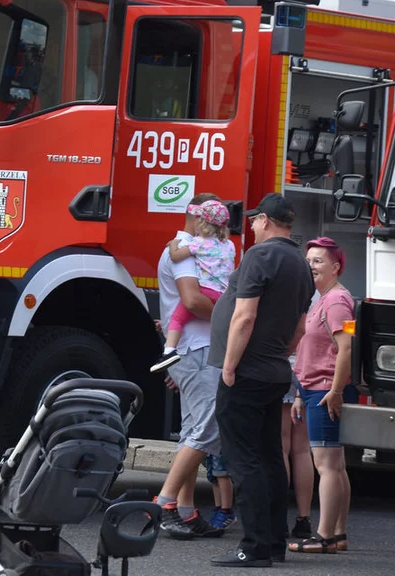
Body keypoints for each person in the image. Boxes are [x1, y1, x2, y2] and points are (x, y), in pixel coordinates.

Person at [207, 193, 314, 567]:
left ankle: (251, 547)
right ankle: (273, 543)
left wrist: (230, 366)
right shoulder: (300, 263)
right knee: (270, 456)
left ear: (267, 221)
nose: (250, 225)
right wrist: (276, 352)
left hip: (248, 371)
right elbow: (300, 327)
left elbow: (244, 317)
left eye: (254, 220)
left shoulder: (261, 256)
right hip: (274, 371)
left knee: (243, 459)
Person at [152, 193, 231, 540]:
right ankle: (166, 502)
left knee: (192, 431)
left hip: (191, 348)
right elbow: (193, 300)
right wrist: (234, 320)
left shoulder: (188, 244)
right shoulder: (187, 246)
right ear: (196, 217)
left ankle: (184, 510)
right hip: (198, 349)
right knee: (204, 430)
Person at [289, 237, 359, 554]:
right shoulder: (325, 298)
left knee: (327, 467)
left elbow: (346, 348)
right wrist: (302, 394)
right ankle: (338, 534)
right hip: (315, 390)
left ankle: (324, 537)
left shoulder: (335, 302)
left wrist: (334, 390)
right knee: (337, 465)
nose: (311, 266)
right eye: (309, 261)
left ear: (336, 266)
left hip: (325, 390)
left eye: (318, 261)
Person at [152, 199, 236, 374]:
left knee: (177, 318)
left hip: (204, 295)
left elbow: (192, 300)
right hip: (222, 294)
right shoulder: (229, 245)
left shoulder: (197, 243)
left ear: (201, 221)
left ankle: (168, 352)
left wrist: (174, 244)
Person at [282, 351, 315, 540]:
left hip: (283, 368)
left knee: (281, 448)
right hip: (306, 370)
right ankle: (304, 519)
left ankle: (280, 519)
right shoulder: (308, 318)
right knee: (302, 450)